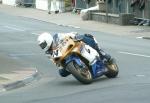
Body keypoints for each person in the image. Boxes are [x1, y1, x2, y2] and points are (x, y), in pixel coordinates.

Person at [37, 32, 112, 77]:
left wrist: (75, 36)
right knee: (62, 73)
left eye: (43, 44)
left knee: (87, 38)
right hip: (65, 58)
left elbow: (68, 35)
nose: (43, 47)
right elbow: (56, 62)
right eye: (41, 46)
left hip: (73, 45)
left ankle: (102, 54)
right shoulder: (48, 52)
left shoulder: (57, 37)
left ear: (48, 39)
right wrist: (60, 66)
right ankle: (79, 70)